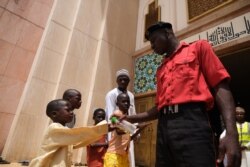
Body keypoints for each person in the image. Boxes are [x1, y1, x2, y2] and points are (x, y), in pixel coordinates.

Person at [114, 21, 241, 167]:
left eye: (154, 40)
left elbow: (221, 86)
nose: (152, 46)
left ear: (167, 33)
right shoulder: (161, 69)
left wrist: (231, 133)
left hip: (192, 124)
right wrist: (129, 118)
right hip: (164, 129)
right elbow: (159, 108)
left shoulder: (199, 48)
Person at [29, 99, 109, 167]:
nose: (71, 113)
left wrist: (101, 132)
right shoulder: (54, 128)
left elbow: (78, 142)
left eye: (72, 110)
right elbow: (78, 135)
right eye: (68, 110)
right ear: (54, 114)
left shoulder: (65, 130)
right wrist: (104, 128)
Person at [104, 93, 147, 167]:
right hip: (114, 156)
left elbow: (129, 138)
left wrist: (141, 128)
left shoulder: (127, 118)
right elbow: (119, 131)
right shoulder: (117, 114)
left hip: (123, 156)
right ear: (117, 103)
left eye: (128, 101)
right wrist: (135, 127)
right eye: (123, 101)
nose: (126, 103)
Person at [105, 69, 137, 167]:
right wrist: (117, 125)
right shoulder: (111, 94)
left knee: (128, 154)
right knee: (116, 154)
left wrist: (135, 129)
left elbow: (133, 112)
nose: (123, 81)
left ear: (129, 81)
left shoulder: (131, 95)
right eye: (121, 79)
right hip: (117, 128)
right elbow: (110, 113)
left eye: (125, 80)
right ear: (117, 81)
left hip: (128, 130)